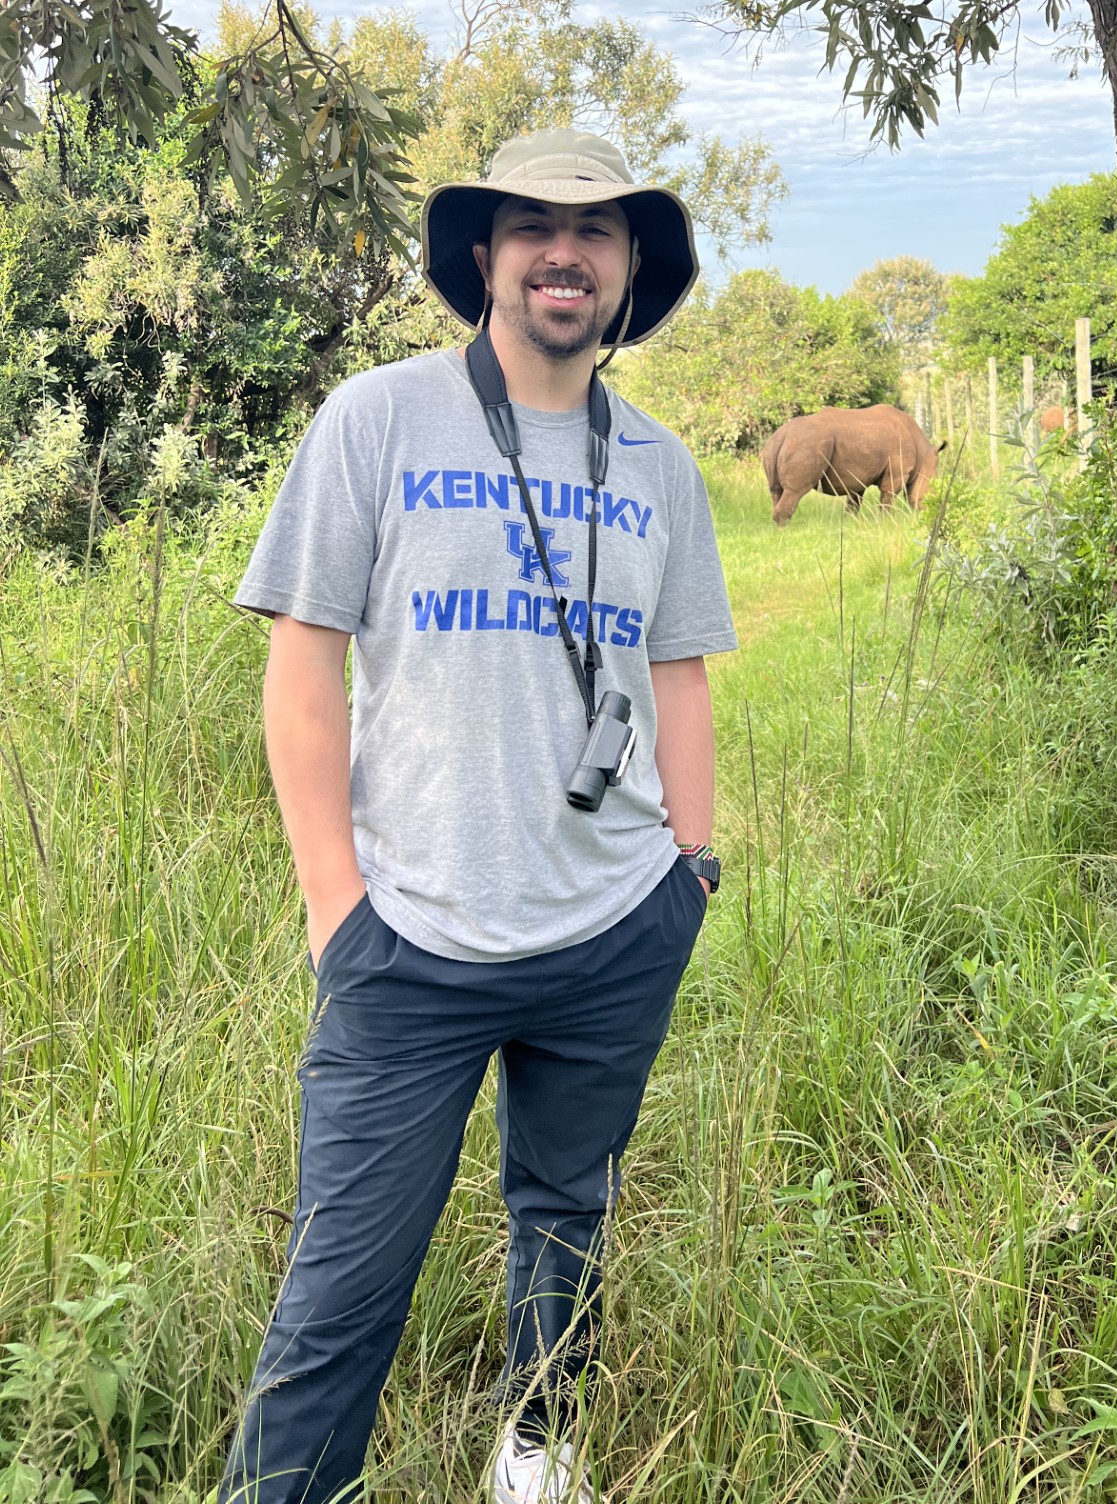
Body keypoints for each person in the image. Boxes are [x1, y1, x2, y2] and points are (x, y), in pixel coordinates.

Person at [220, 129, 735, 1504]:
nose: (563, 254)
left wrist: (692, 864)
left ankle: (540, 1442)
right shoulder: (376, 419)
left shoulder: (664, 468)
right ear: (487, 259)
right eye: (531, 227)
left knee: (566, 1217)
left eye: (597, 233)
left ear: (630, 271)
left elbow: (674, 672)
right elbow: (303, 659)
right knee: (343, 1282)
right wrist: (338, 907)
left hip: (617, 924)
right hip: (411, 933)